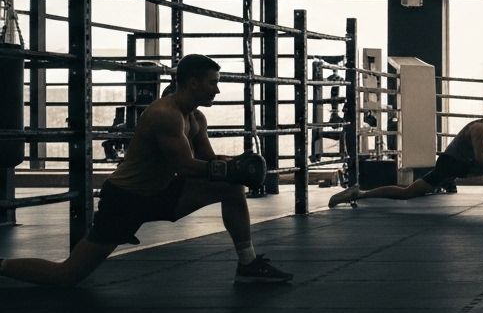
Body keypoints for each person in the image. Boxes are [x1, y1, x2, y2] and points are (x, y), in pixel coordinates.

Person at [0, 54, 291, 287]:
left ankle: (248, 264)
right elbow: (188, 167)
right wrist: (231, 168)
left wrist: (234, 164)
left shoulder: (196, 117)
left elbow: (207, 161)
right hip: (126, 199)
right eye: (213, 82)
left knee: (231, 187)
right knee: (66, 276)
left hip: (162, 192)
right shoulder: (165, 115)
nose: (217, 89)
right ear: (192, 82)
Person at [329, 100, 483, 212]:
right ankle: (357, 194)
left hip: (462, 166)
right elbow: (482, 160)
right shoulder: (480, 129)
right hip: (451, 166)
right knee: (407, 193)